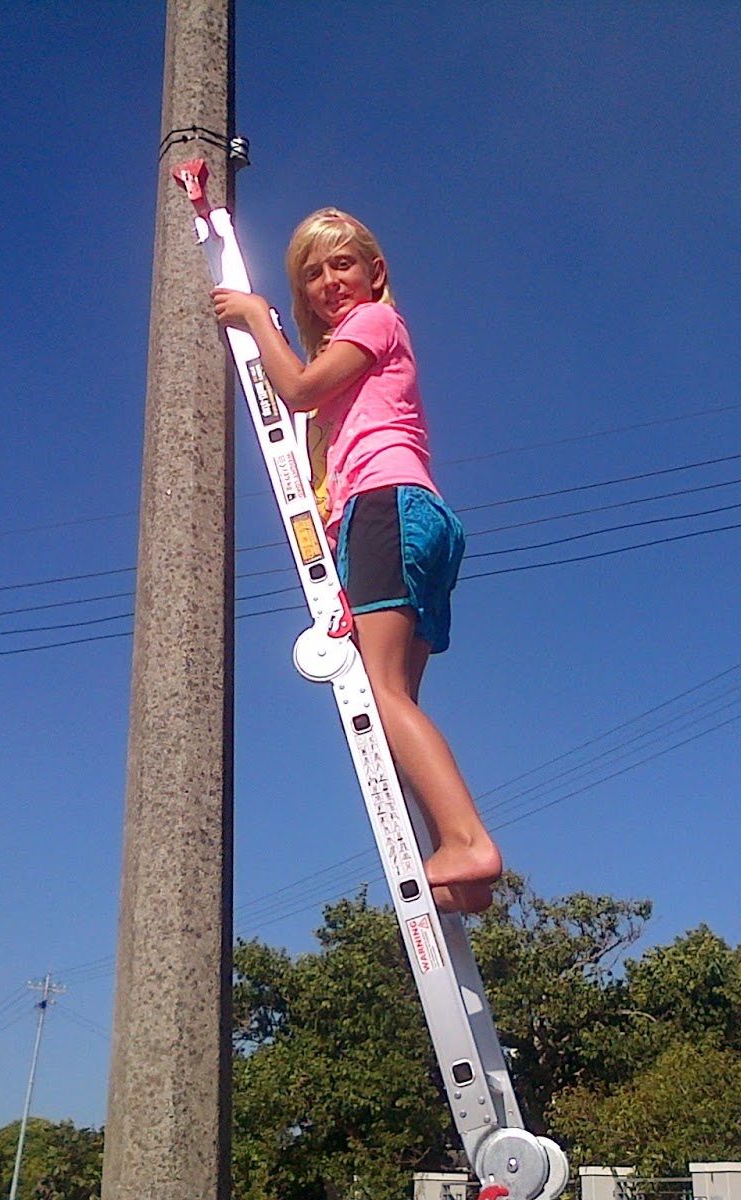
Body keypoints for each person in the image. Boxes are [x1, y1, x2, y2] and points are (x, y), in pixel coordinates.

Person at [212, 207, 501, 914]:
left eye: (343, 263)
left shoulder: (373, 323)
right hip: (414, 516)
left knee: (381, 695)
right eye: (313, 273)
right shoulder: (361, 345)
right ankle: (459, 866)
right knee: (397, 693)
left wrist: (254, 316)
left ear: (375, 273)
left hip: (387, 508)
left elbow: (301, 389)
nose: (329, 280)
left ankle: (466, 841)